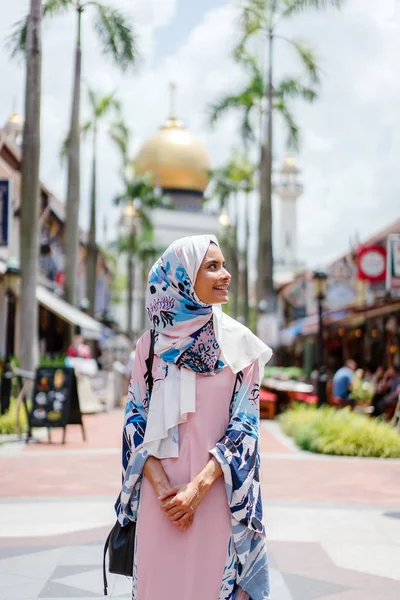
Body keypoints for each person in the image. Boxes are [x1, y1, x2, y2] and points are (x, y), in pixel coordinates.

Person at [115, 235, 273, 600]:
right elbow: (134, 422)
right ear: (183, 277)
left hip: (217, 498)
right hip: (162, 502)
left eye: (224, 265)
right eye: (213, 267)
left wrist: (197, 489)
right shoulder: (150, 345)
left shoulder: (240, 346)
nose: (226, 275)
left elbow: (245, 428)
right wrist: (165, 493)